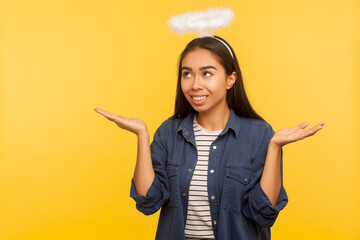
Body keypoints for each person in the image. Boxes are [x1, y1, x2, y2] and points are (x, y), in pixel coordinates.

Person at [94, 35, 325, 240]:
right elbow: (148, 201)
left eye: (206, 73)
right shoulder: (168, 132)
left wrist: (274, 147)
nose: (195, 85)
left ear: (230, 79)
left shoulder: (260, 134)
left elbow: (263, 213)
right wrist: (142, 135)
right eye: (187, 74)